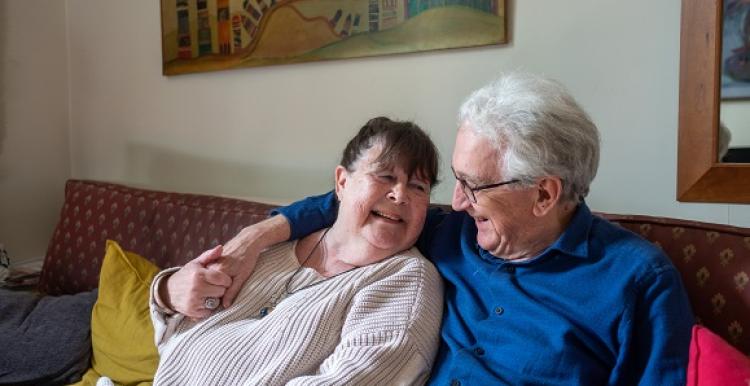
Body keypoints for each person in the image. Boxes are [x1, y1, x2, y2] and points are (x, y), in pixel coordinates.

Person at [195, 72, 695, 385]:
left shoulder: (638, 282)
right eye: (454, 181)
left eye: (474, 187)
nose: (455, 202)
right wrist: (254, 238)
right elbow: (350, 202)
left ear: (545, 194)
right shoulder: (448, 231)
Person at [149, 117, 444, 385]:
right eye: (385, 176)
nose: (400, 194)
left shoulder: (406, 280)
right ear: (342, 182)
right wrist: (165, 292)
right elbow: (177, 336)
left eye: (418, 187)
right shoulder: (271, 244)